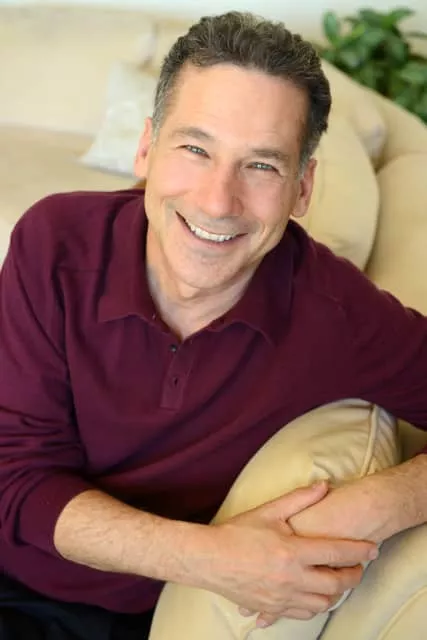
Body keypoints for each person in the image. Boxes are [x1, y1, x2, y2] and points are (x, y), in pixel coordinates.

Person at [0, 10, 426, 640]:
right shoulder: (54, 242)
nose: (217, 201)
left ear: (303, 188)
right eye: (196, 149)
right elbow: (14, 477)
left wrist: (374, 507)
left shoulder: (335, 313)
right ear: (146, 147)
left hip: (124, 620)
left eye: (262, 166)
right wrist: (214, 558)